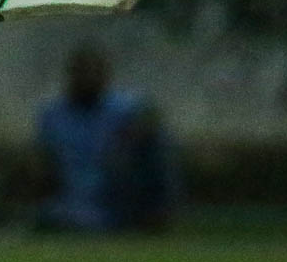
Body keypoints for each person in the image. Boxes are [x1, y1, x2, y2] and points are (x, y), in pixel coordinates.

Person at [34, 43, 179, 233]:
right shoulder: (54, 115)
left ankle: (152, 217)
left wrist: (133, 137)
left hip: (117, 194)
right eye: (82, 73)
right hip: (73, 195)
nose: (88, 79)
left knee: (154, 147)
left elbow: (151, 121)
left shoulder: (125, 108)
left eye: (94, 73)